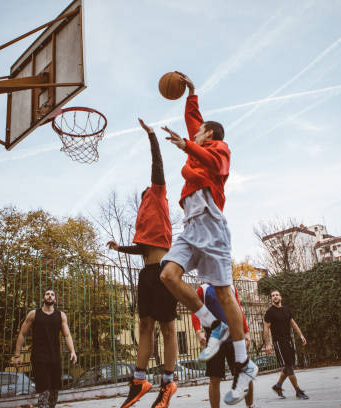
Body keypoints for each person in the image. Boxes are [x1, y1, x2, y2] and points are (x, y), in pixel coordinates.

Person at [160, 72, 257, 405]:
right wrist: (191, 92)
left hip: (212, 225)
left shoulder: (218, 147)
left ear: (210, 134)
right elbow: (194, 119)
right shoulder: (197, 143)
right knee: (168, 275)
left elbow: (215, 162)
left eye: (199, 132)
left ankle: (244, 362)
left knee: (224, 291)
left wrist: (187, 146)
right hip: (190, 226)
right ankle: (213, 324)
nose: (194, 132)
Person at [107, 118, 178, 408]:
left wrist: (151, 136)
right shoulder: (144, 214)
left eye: (146, 193)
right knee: (145, 326)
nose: (144, 195)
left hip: (163, 271)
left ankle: (168, 383)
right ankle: (139, 381)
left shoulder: (159, 194)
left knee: (168, 328)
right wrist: (119, 247)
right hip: (146, 272)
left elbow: (157, 167)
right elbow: (142, 248)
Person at [192, 284, 256, 408]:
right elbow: (195, 311)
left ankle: (250, 405)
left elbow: (238, 309)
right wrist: (198, 332)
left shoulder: (231, 287)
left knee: (245, 374)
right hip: (214, 338)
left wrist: (246, 331)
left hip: (234, 335)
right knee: (215, 378)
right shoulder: (203, 289)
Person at [13, 289, 77, 408]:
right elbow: (22, 333)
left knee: (54, 390)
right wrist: (17, 355)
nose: (50, 296)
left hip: (55, 357)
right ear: (43, 298)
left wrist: (72, 351)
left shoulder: (61, 315)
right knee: (44, 389)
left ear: (55, 300)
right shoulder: (34, 314)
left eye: (52, 294)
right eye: (47, 294)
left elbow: (67, 335)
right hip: (39, 357)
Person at [263, 289, 309, 400]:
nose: (275, 296)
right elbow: (265, 329)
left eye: (277, 295)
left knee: (289, 365)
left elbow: (293, 324)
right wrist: (268, 344)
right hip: (279, 342)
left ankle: (277, 386)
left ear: (280, 297)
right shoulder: (270, 312)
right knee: (288, 366)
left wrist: (301, 335)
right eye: (273, 295)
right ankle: (298, 391)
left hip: (288, 341)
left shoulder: (286, 310)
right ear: (271, 298)